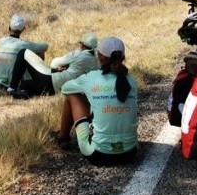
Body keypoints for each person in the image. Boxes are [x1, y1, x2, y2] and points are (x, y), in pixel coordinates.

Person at [54, 36, 138, 165]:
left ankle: (62, 137)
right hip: (130, 153)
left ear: (101, 58)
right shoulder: (132, 81)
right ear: (122, 58)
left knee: (73, 96)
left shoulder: (91, 78)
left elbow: (65, 89)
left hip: (99, 154)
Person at [6, 32, 99, 99]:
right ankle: (22, 92)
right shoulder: (97, 60)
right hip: (53, 90)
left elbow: (54, 64)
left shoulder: (78, 54)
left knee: (23, 52)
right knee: (26, 84)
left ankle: (11, 88)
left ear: (82, 45)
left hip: (50, 80)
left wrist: (64, 66)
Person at [0, 14, 49, 89]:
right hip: (17, 83)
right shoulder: (23, 44)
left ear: (9, 27)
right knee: (40, 52)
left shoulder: (1, 41)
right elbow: (45, 46)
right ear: (23, 29)